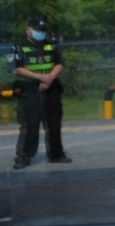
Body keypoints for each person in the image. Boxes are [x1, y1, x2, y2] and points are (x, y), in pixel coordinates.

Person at [9, 18, 72, 169]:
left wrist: (49, 79)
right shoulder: (18, 47)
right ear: (28, 30)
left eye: (43, 30)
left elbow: (60, 63)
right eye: (37, 29)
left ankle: (56, 154)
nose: (41, 32)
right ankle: (24, 156)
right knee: (29, 125)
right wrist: (40, 78)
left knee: (54, 124)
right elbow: (16, 68)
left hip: (51, 89)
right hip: (30, 90)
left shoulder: (51, 45)